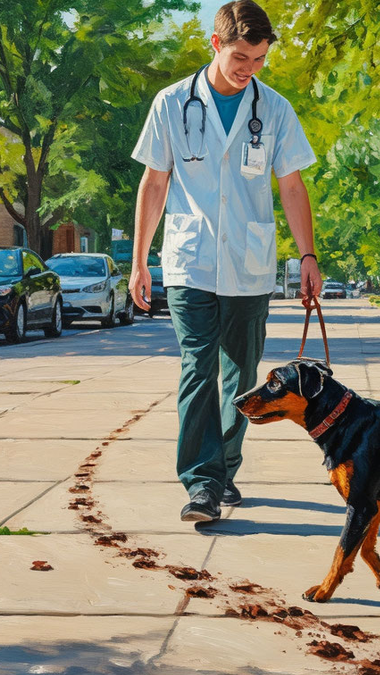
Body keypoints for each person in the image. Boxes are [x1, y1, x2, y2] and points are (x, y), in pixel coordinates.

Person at [128, 0, 321, 526]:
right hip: (190, 262)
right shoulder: (172, 103)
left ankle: (225, 467)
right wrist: (140, 261)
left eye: (259, 59)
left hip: (250, 264)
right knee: (198, 370)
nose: (250, 68)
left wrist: (307, 254)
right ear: (216, 44)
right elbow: (155, 182)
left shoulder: (275, 109)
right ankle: (201, 482)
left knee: (242, 377)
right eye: (242, 56)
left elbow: (291, 185)